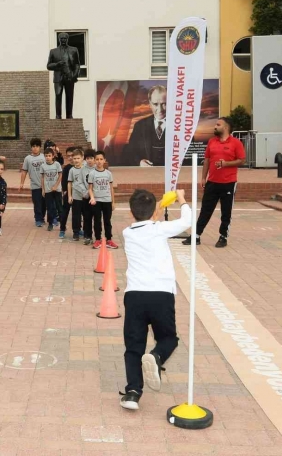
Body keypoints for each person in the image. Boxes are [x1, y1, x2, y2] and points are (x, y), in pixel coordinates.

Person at [119, 189, 189, 411]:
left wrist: (152, 216)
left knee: (133, 346)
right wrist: (181, 198)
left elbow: (145, 224)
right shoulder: (160, 230)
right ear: (154, 212)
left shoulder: (127, 233)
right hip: (161, 295)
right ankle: (157, 356)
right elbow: (187, 221)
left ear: (131, 212)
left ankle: (132, 392)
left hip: (135, 296)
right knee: (169, 339)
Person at [183, 117, 246, 248]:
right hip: (212, 182)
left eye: (218, 124)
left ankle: (223, 237)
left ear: (226, 128)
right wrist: (203, 177)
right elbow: (207, 160)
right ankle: (196, 236)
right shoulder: (212, 142)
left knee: (226, 211)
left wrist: (226, 164)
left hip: (228, 183)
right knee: (205, 210)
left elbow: (242, 160)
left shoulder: (236, 143)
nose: (215, 126)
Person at [122, 85, 167, 167]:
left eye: (164, 104)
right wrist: (139, 162)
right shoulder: (140, 126)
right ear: (150, 104)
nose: (160, 109)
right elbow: (130, 152)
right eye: (155, 104)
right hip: (146, 175)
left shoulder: (181, 127)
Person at [47, 32, 81, 119]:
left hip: (70, 76)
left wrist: (74, 75)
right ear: (59, 39)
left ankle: (69, 116)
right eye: (61, 39)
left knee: (69, 96)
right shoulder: (53, 51)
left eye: (65, 39)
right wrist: (57, 65)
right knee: (58, 95)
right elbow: (48, 66)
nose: (63, 40)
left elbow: (77, 64)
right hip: (58, 78)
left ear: (67, 39)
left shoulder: (73, 50)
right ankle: (58, 116)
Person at [88, 151, 117, 249]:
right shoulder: (92, 174)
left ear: (104, 160)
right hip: (97, 201)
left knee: (107, 221)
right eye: (97, 159)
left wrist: (113, 202)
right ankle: (97, 239)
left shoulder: (108, 173)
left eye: (101, 159)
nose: (99, 161)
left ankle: (109, 240)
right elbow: (90, 188)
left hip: (107, 201)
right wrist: (92, 197)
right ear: (94, 161)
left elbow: (111, 188)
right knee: (97, 221)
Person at [20, 138, 46, 227]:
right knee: (37, 203)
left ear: (40, 147)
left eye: (37, 146)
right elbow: (24, 171)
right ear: (31, 148)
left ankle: (42, 217)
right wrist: (21, 183)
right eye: (33, 146)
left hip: (45, 185)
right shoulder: (28, 158)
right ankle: (38, 219)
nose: (35, 148)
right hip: (35, 185)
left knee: (44, 203)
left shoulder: (44, 157)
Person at [67, 149, 92, 243]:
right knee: (76, 216)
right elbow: (69, 183)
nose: (76, 160)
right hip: (76, 196)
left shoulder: (86, 169)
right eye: (74, 158)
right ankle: (76, 232)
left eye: (78, 158)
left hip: (86, 197)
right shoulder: (72, 170)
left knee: (86, 216)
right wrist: (70, 196)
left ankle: (86, 233)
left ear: (82, 158)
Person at [40, 148, 62, 232]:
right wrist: (43, 189)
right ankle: (50, 224)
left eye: (49, 156)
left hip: (57, 189)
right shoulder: (43, 166)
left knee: (59, 207)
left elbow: (60, 175)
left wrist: (56, 186)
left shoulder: (57, 164)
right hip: (48, 190)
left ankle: (62, 224)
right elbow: (42, 177)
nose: (48, 157)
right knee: (49, 207)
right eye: (46, 156)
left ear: (53, 156)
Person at [59, 146, 75, 239]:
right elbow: (63, 181)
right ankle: (62, 229)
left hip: (77, 194)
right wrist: (64, 191)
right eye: (68, 156)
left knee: (77, 214)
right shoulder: (66, 168)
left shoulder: (80, 167)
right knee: (65, 212)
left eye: (72, 155)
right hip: (67, 194)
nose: (70, 158)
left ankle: (77, 229)